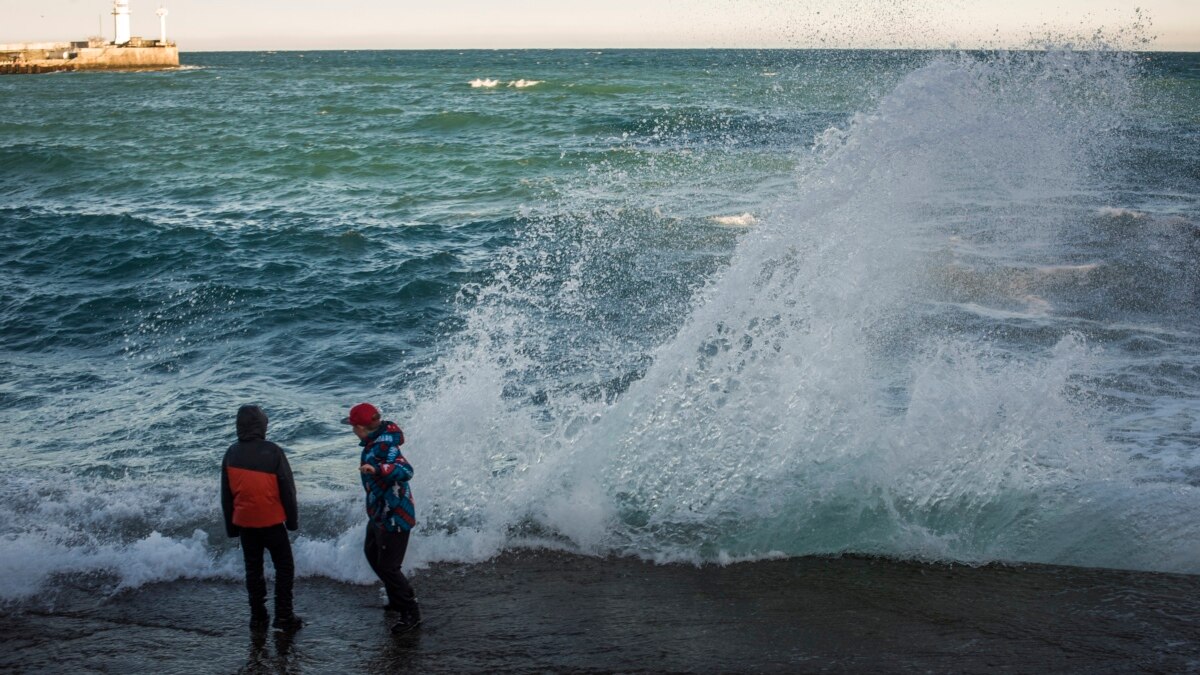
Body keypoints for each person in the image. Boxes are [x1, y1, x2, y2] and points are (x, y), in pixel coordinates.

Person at [220, 404, 303, 631]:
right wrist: (292, 521)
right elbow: (288, 490)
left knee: (253, 569)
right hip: (273, 523)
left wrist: (232, 528)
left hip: (246, 524)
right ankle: (284, 615)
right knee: (284, 567)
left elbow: (226, 497)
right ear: (261, 425)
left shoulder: (230, 453)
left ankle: (258, 617)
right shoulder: (273, 451)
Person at [343, 402, 421, 634]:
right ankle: (397, 598)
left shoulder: (385, 446)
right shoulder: (372, 443)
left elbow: (406, 471)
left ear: (360, 427)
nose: (351, 430)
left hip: (395, 514)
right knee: (371, 553)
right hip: (379, 512)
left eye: (352, 426)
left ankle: (410, 611)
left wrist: (379, 470)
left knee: (389, 567)